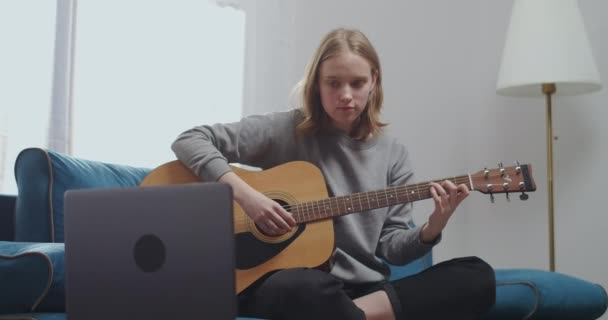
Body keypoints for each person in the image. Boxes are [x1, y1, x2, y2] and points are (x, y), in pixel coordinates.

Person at [172, 28, 495, 320]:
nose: (345, 95)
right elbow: (190, 140)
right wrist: (247, 196)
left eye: (357, 83)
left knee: (475, 275)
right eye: (333, 83)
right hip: (294, 283)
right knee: (303, 286)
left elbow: (393, 250)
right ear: (316, 83)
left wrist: (432, 226)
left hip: (362, 291)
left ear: (374, 82)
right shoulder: (285, 129)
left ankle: (356, 315)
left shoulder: (392, 153)